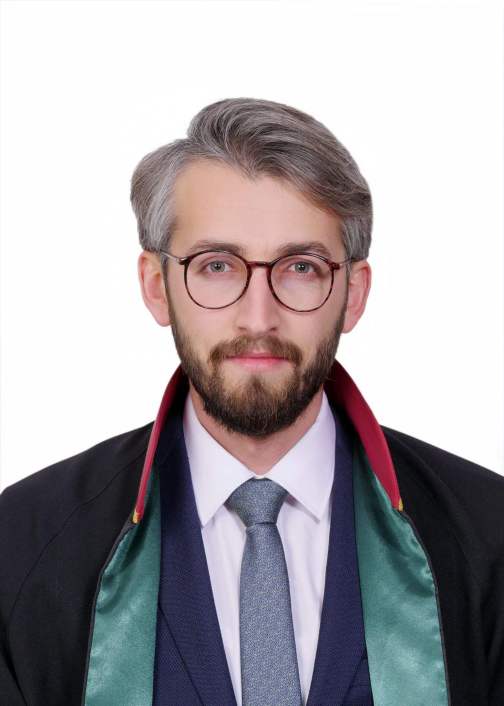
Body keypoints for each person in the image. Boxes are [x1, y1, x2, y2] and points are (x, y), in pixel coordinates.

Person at [1, 97, 502, 706]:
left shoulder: (488, 538)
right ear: (157, 287)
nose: (258, 317)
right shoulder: (23, 543)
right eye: (216, 266)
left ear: (353, 293)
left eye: (301, 267)